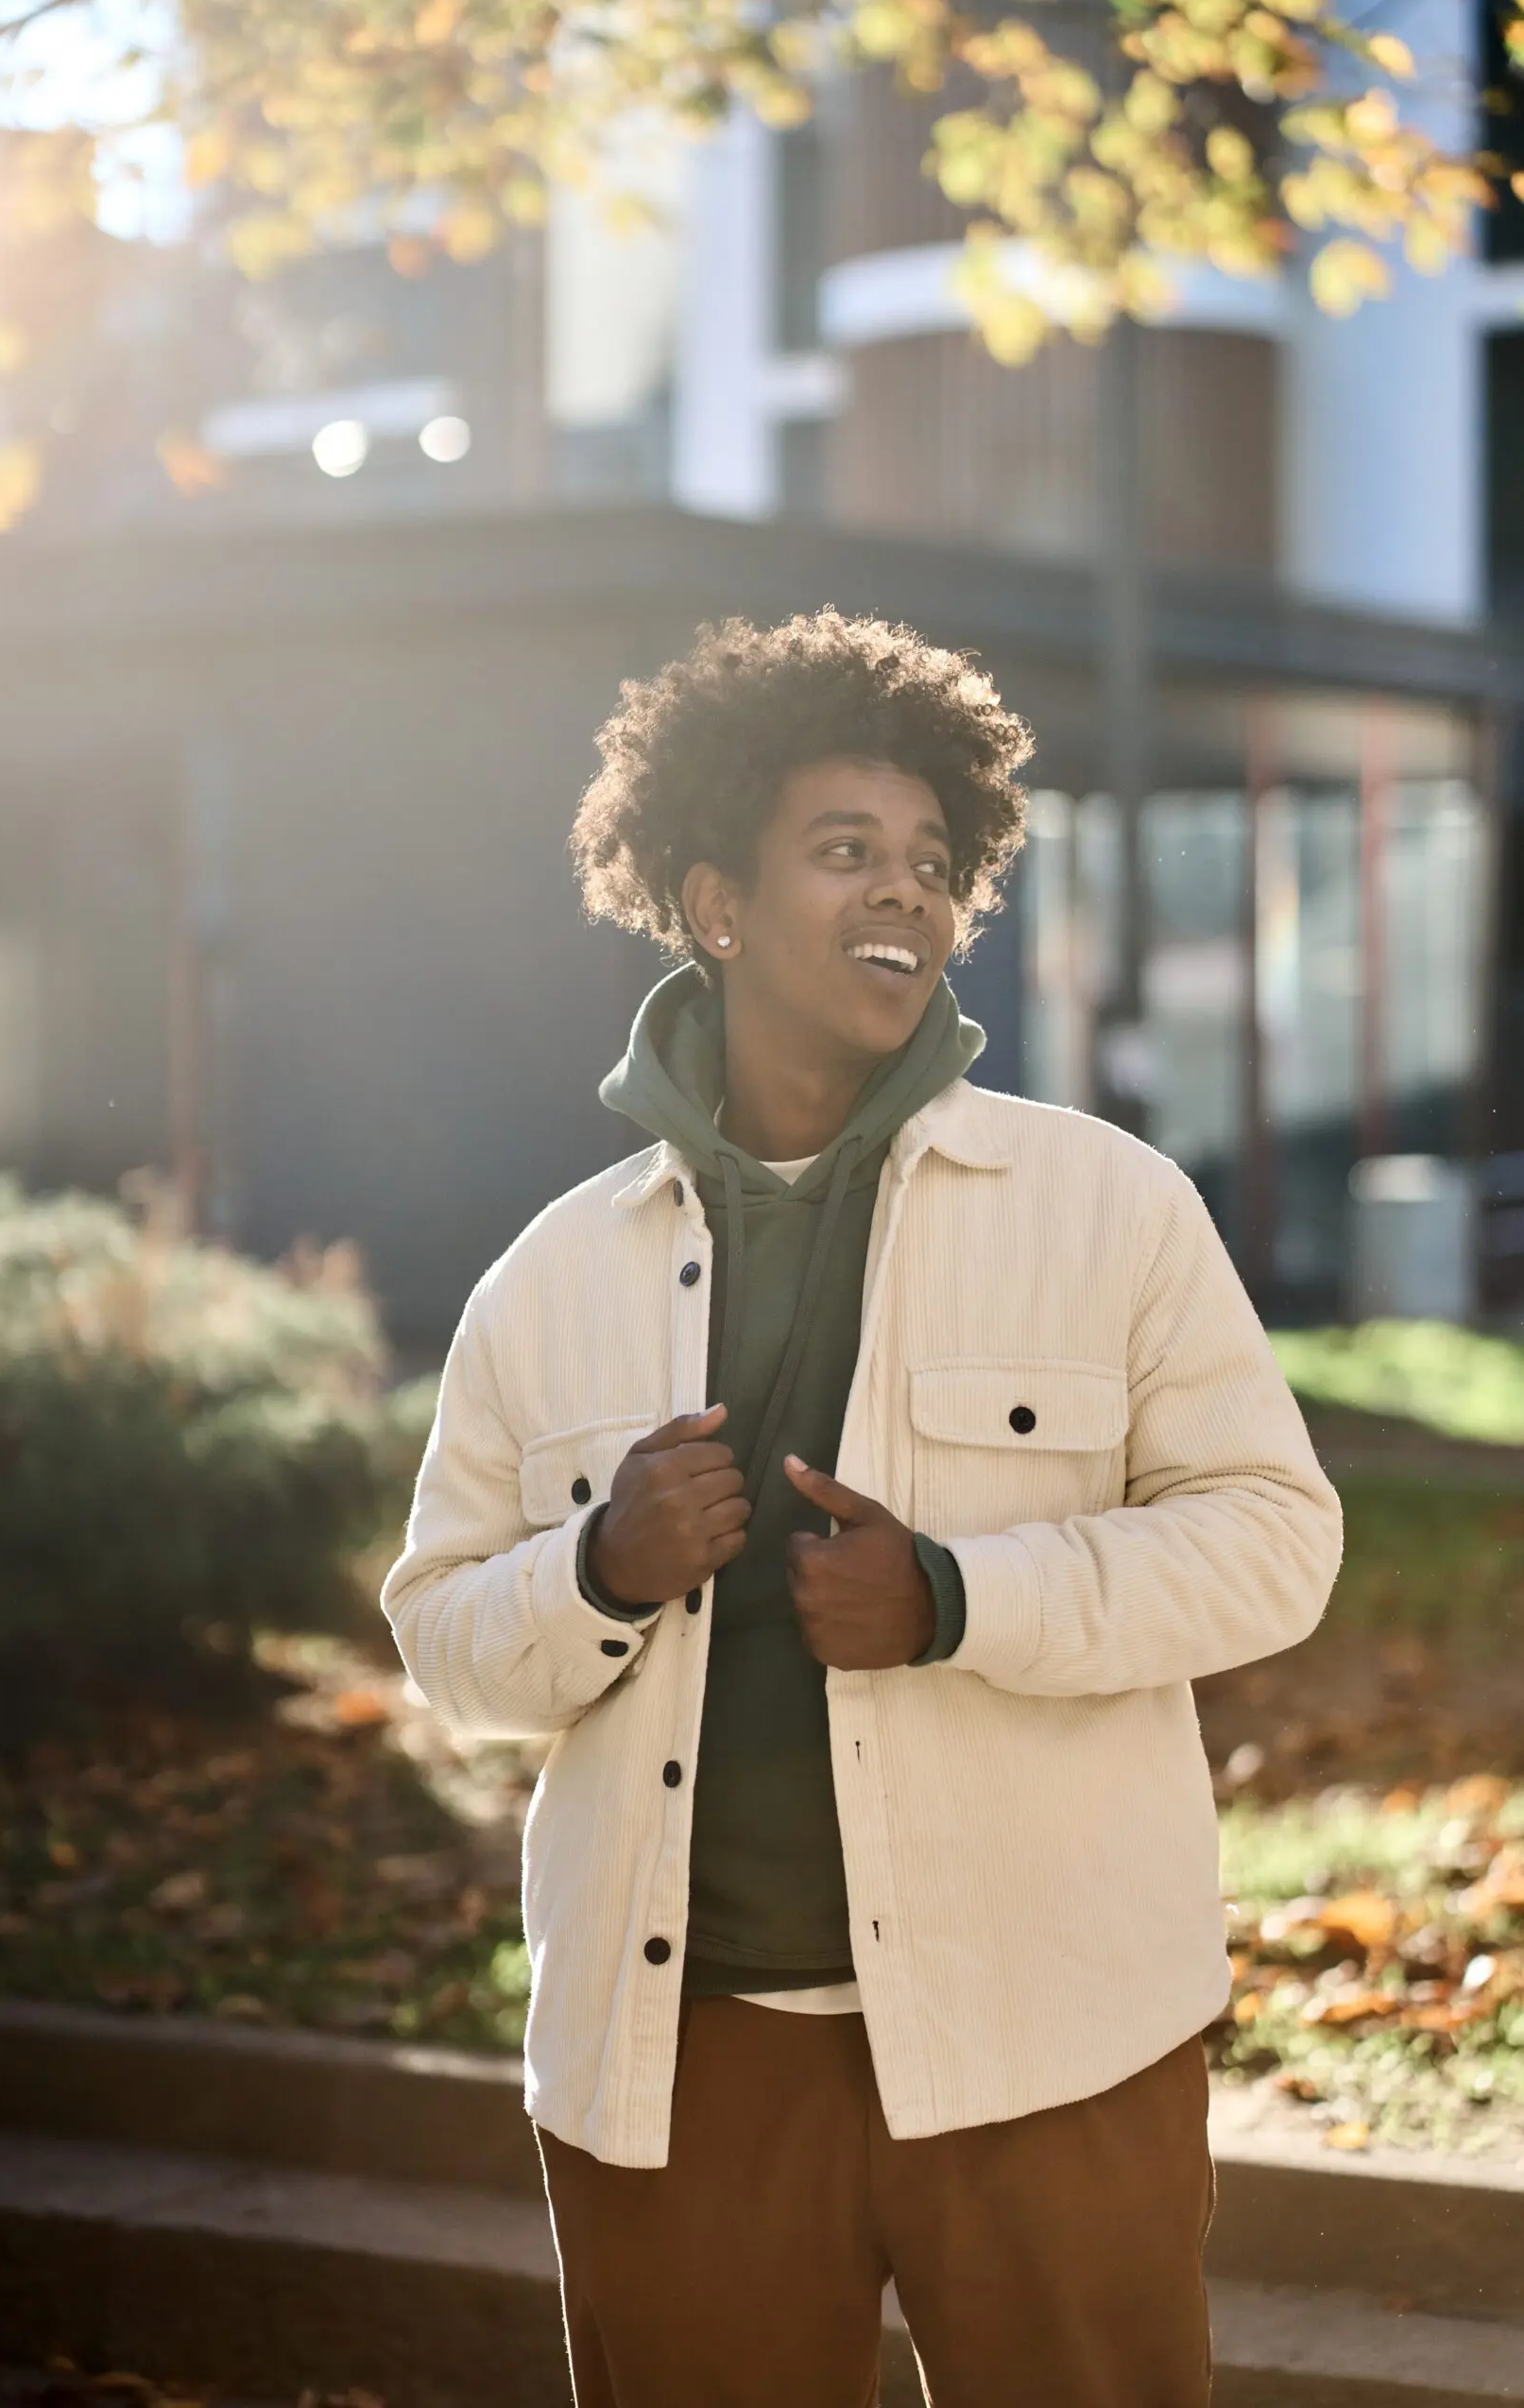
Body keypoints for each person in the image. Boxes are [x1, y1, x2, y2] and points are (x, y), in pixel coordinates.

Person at [382, 610, 1343, 2408]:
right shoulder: (547, 1276)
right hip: (681, 2061)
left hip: (1048, 2037)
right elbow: (442, 1637)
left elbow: (1275, 1539)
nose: (902, 893)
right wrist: (598, 1569)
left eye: (930, 860)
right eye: (844, 852)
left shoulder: (1108, 1207)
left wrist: (960, 1598)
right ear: (713, 900)